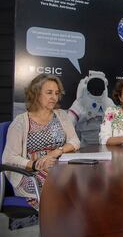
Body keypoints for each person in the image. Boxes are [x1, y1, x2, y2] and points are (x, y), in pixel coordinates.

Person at [2, 74, 80, 210]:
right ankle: (54, 227)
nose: (54, 97)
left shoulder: (61, 115)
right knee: (61, 192)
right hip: (30, 174)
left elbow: (75, 141)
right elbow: (8, 158)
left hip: (58, 168)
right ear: (36, 94)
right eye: (49, 92)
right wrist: (34, 164)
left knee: (82, 184)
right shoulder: (20, 122)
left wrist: (57, 151)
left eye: (56, 93)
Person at [68, 70, 114, 146]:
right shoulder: (80, 103)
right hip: (84, 143)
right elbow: (69, 123)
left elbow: (116, 122)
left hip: (104, 143)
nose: (96, 90)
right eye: (94, 89)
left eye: (98, 89)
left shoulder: (108, 102)